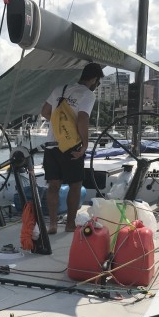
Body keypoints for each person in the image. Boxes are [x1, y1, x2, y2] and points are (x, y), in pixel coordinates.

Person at [40, 62, 103, 234]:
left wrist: (59, 124)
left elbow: (44, 111)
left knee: (53, 185)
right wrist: (85, 144)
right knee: (75, 185)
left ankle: (53, 225)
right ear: (94, 79)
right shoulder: (87, 95)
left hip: (51, 145)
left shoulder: (59, 89)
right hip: (70, 145)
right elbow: (82, 119)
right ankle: (69, 224)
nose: (97, 85)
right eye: (98, 82)